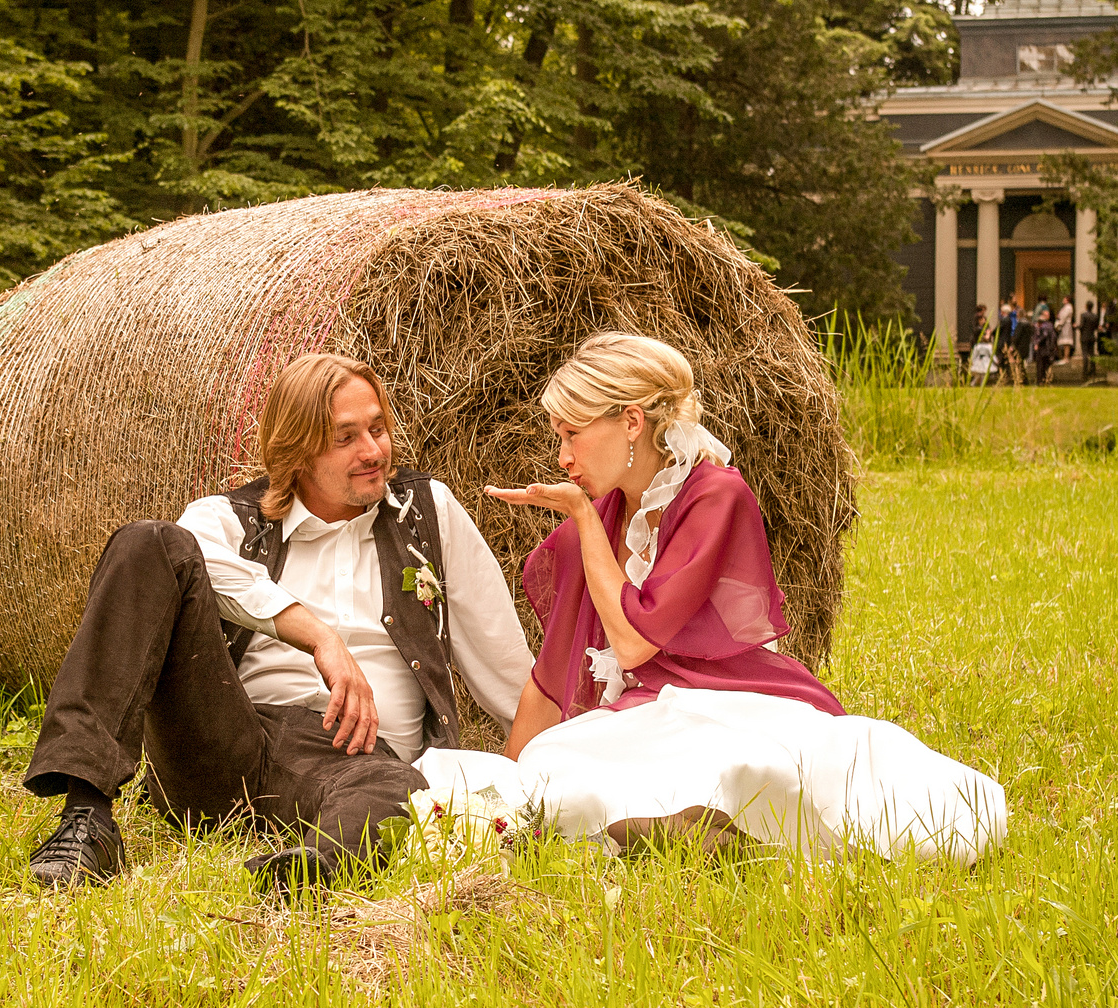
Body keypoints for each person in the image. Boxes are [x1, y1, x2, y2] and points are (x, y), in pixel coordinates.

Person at [415, 334, 1006, 863]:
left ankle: (699, 826)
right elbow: (549, 681)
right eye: (558, 438)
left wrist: (580, 517)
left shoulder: (714, 496)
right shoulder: (592, 526)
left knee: (763, 769)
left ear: (629, 422)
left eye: (572, 434)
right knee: (553, 768)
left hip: (724, 701)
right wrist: (517, 788)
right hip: (643, 716)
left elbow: (635, 640)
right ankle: (690, 832)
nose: (562, 457)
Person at [22, 353, 534, 890]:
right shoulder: (230, 518)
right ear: (298, 452)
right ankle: (86, 816)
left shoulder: (427, 512)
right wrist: (319, 637)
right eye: (346, 438)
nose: (373, 451)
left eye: (378, 429)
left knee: (399, 787)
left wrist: (541, 775)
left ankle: (311, 866)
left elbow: (503, 659)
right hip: (227, 742)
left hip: (360, 759)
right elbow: (177, 551)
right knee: (146, 543)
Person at [1034, 314, 1058, 384]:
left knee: (1040, 365)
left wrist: (1037, 343)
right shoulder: (1050, 326)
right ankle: (1046, 378)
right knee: (1046, 365)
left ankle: (1040, 380)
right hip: (1048, 349)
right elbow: (1054, 337)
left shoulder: (1043, 328)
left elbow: (1044, 336)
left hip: (1043, 349)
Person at [1079, 300, 1100, 379]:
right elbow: (1096, 327)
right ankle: (1093, 371)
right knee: (1092, 354)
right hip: (1091, 336)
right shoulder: (1095, 316)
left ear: (1086, 306)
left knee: (1085, 354)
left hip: (1084, 336)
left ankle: (1084, 372)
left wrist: (1077, 327)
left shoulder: (1083, 315)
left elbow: (1081, 326)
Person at [1056, 295, 1075, 362]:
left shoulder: (1068, 307)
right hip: (1064, 325)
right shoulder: (1065, 307)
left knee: (1066, 342)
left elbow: (1064, 316)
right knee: (1064, 342)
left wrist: (1059, 323)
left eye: (1064, 298)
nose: (1063, 299)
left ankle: (1066, 357)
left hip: (1066, 325)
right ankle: (1064, 357)